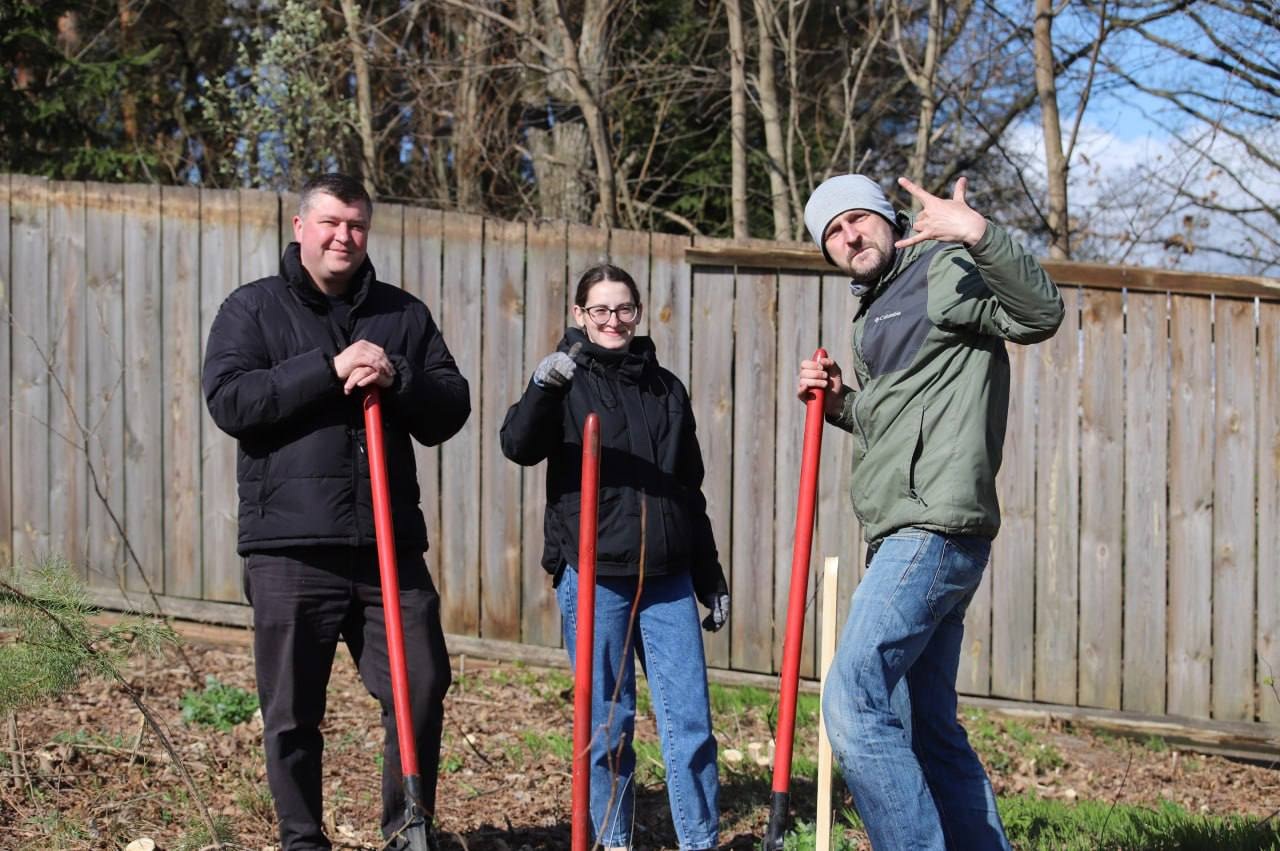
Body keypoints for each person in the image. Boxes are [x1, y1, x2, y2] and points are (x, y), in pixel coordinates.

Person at [203, 173, 470, 851]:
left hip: (388, 542)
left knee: (420, 682)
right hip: (290, 546)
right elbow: (232, 401)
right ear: (300, 228)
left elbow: (449, 406)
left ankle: (408, 827)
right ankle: (302, 838)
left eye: (355, 225)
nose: (342, 236)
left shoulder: (402, 315)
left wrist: (397, 375)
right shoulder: (252, 309)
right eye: (329, 222)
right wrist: (328, 367)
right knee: (292, 708)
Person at [796, 174, 1064, 849]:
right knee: (927, 727)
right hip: (910, 530)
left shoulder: (940, 270)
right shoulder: (878, 309)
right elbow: (902, 413)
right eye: (832, 232)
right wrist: (839, 401)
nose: (848, 236)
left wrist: (977, 234)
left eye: (857, 219)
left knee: (853, 697)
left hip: (931, 529)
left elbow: (1039, 314)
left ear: (889, 217)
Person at [499, 264, 728, 851]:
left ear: (638, 313)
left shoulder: (666, 388)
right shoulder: (565, 383)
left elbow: (688, 488)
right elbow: (518, 446)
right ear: (580, 315)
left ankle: (699, 841)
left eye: (623, 309)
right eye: (599, 310)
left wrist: (709, 574)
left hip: (669, 579)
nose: (613, 320)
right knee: (607, 726)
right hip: (597, 576)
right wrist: (542, 386)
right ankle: (613, 840)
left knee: (691, 725)